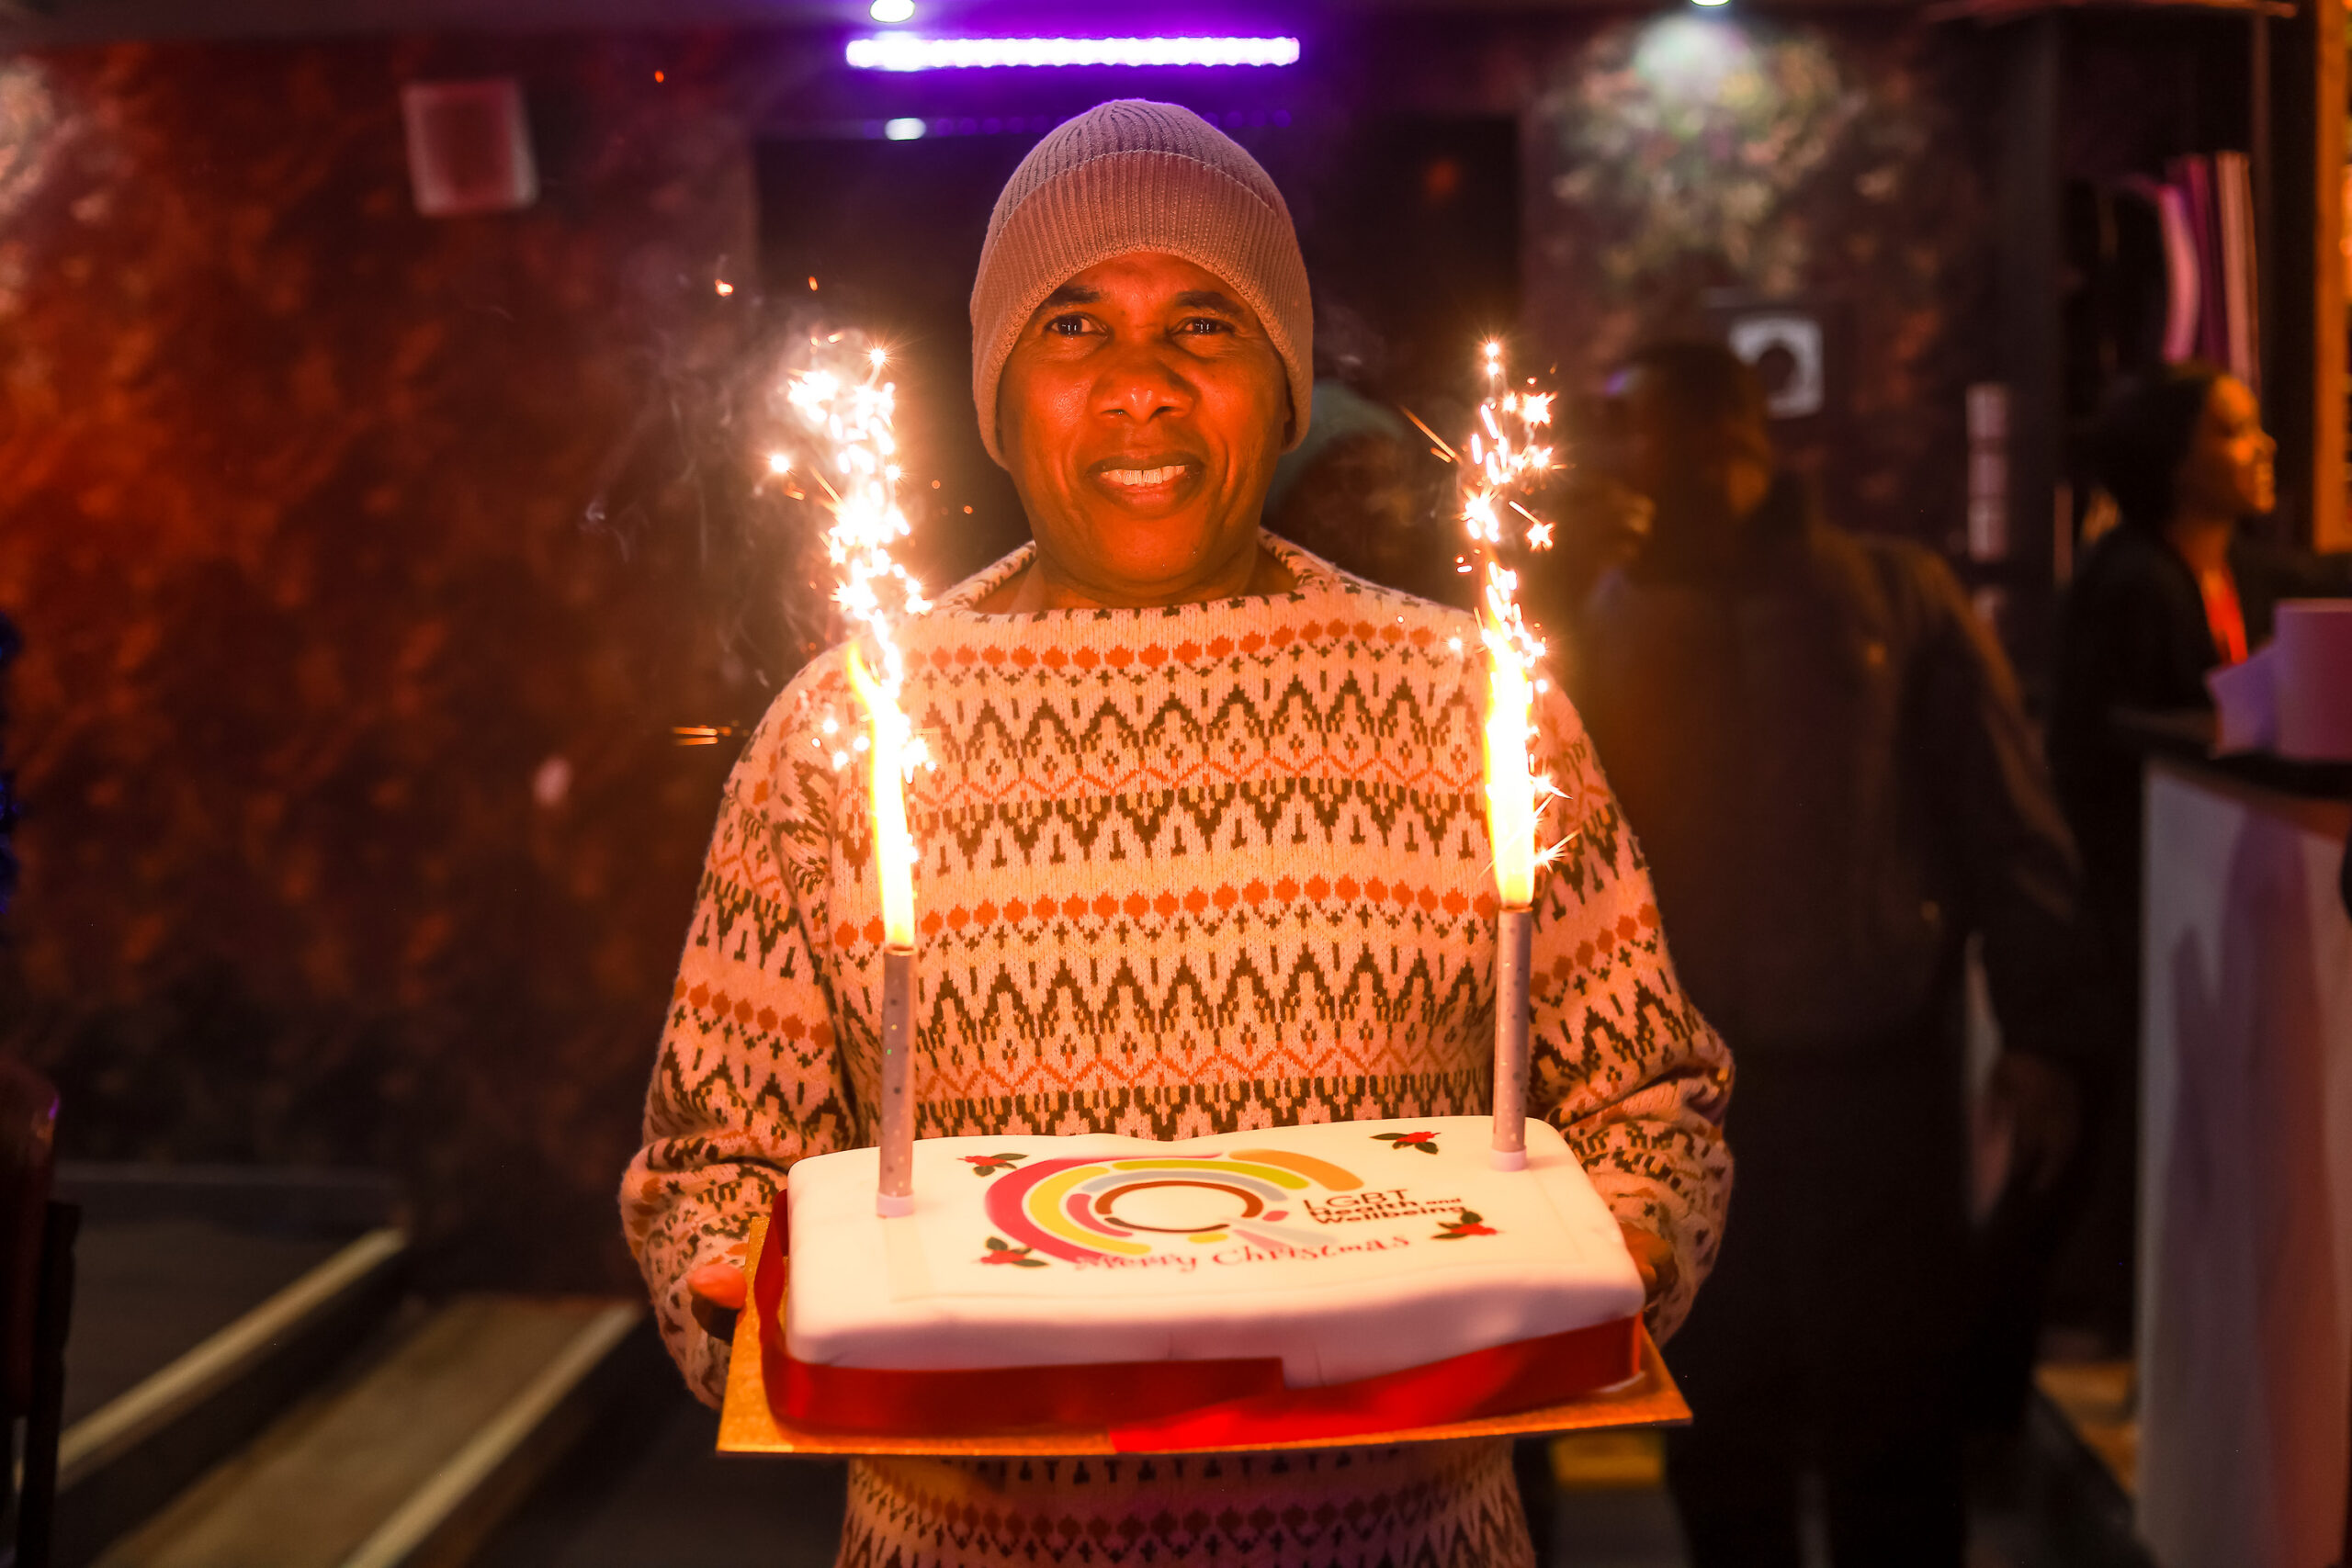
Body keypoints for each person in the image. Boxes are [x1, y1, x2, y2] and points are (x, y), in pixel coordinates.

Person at [619, 103, 1733, 1568]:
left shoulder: (1468, 705)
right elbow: (711, 1161)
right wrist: (732, 1284)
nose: (1140, 385)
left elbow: (1652, 1106)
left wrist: (1627, 1242)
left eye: (1204, 325)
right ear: (996, 395)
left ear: (1282, 389)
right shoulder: (843, 733)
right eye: (1074, 324)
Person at [1567, 342, 2086, 1567]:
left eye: (1669, 431)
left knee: (1894, 1415)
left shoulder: (1888, 592)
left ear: (1737, 434)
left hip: (1874, 1071)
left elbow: (2003, 818)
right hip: (1692, 1092)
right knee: (1721, 1421)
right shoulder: (1607, 615)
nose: (1656, 460)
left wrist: (2050, 1024)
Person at [2047, 363, 2352, 1348]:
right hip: (2133, 909)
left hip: (2191, 904)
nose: (2261, 447)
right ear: (2174, 462)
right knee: (2122, 1135)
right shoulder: (2130, 585)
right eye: (2232, 431)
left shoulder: (2244, 572)